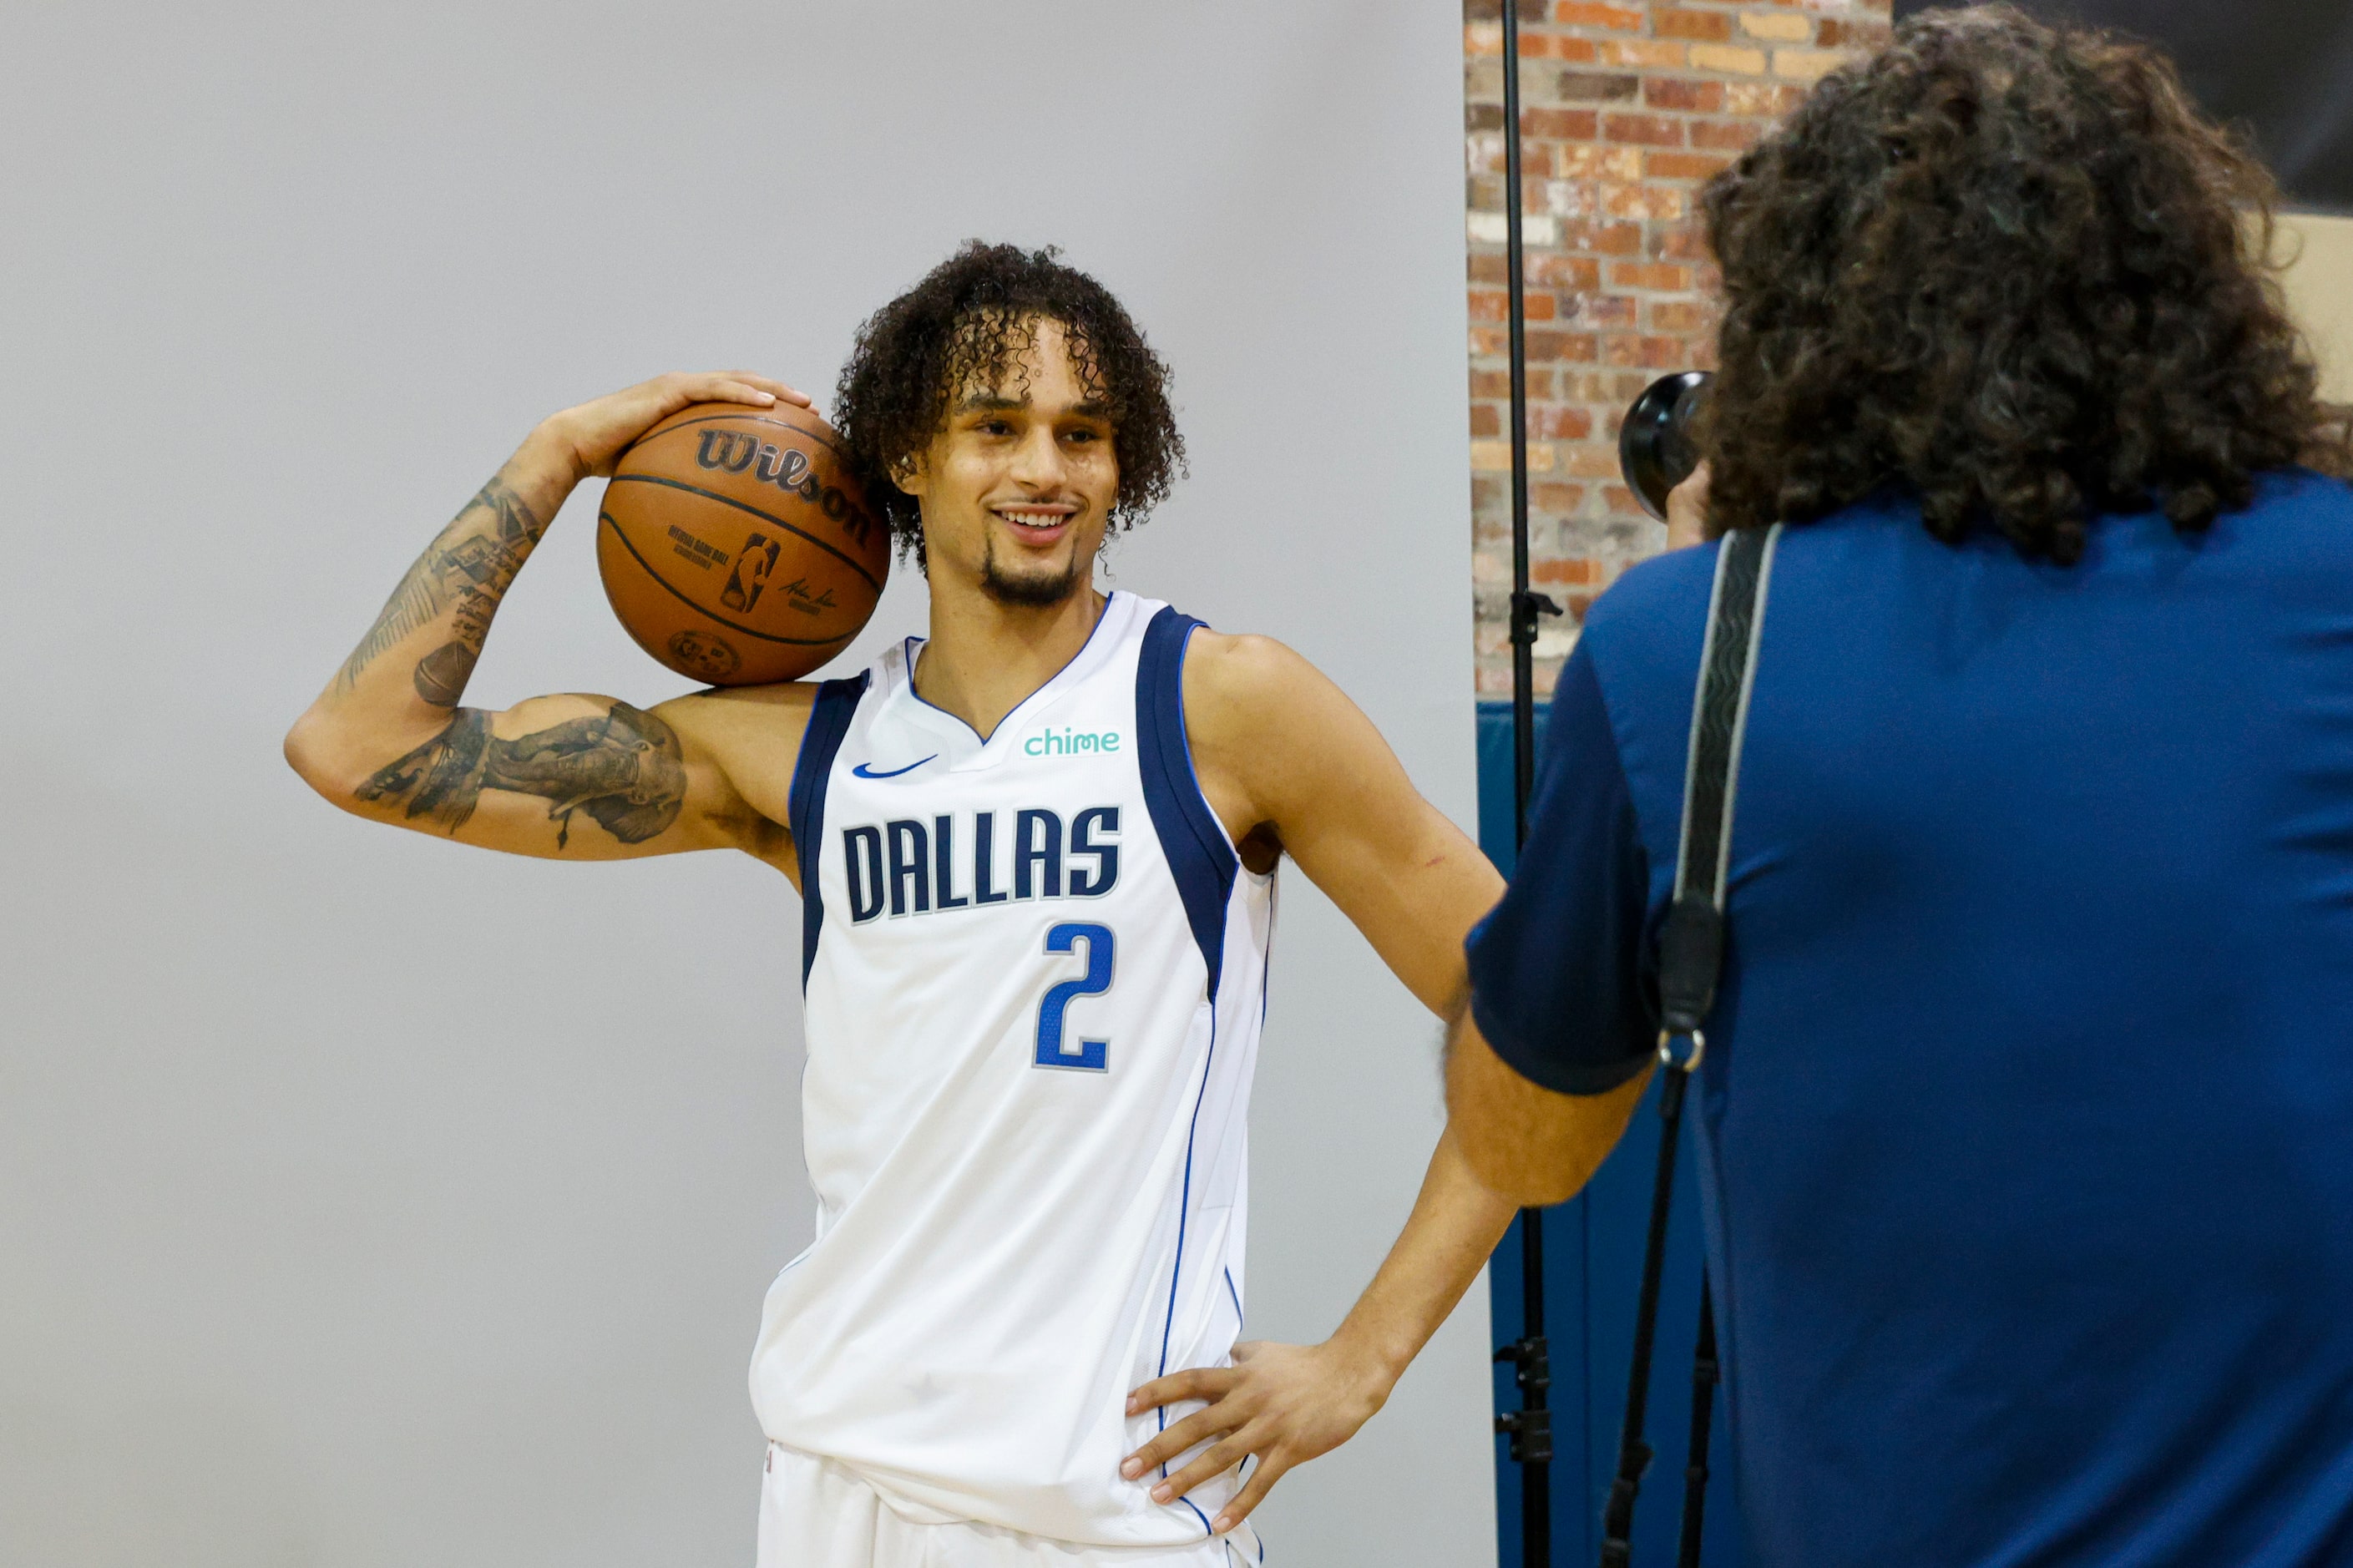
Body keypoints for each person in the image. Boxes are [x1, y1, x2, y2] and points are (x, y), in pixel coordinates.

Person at [286, 241, 1516, 1567]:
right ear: (906, 460)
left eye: (1082, 433)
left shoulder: (1219, 704)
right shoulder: (796, 754)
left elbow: (1542, 1002)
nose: (1045, 469)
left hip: (1106, 1510)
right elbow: (359, 747)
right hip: (836, 1488)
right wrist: (559, 451)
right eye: (995, 428)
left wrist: (1364, 1358)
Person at [1446, 9, 2353, 1568]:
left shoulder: (1688, 646)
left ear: (1802, 324)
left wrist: (1706, 590)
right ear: (2190, 296)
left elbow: (1525, 1142)